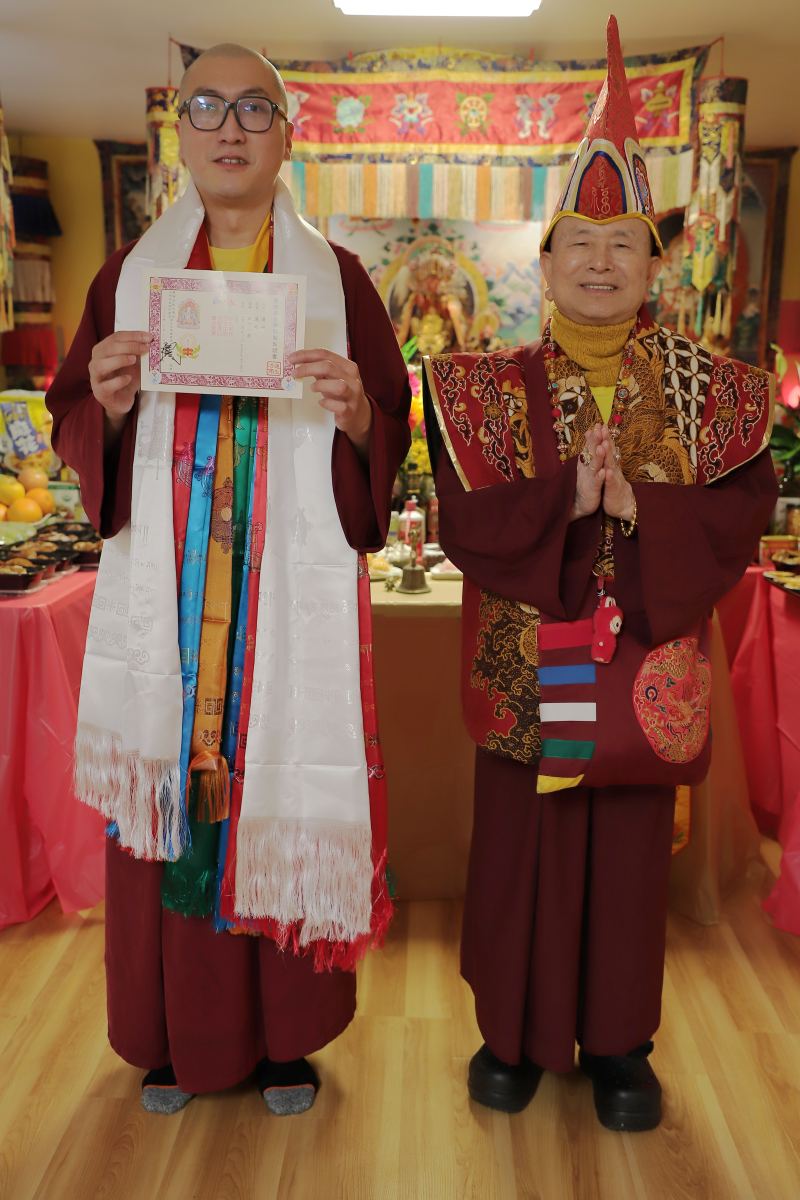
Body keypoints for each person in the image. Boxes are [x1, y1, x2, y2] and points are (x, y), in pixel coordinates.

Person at [423, 15, 777, 1132]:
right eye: (577, 239)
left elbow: (745, 517)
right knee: (521, 847)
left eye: (623, 241)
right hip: (529, 663)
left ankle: (619, 1043)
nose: (599, 260)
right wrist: (563, 504)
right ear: (544, 262)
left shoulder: (716, 390)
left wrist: (641, 509)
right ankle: (510, 1036)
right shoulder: (479, 388)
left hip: (640, 667)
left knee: (626, 857)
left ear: (653, 264)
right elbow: (462, 522)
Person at [46, 44, 410, 1116]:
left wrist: (359, 416)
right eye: (207, 106)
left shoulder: (339, 282)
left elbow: (392, 426)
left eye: (255, 108)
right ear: (182, 133)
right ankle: (176, 1035)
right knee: (176, 804)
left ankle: (284, 1037)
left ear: (287, 137)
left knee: (272, 784)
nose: (230, 127)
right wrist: (108, 408)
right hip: (169, 609)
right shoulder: (129, 278)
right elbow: (76, 419)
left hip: (278, 609)